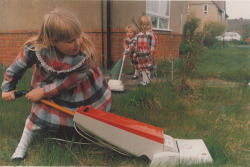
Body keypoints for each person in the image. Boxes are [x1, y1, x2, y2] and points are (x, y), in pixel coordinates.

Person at [1, 8, 112, 160]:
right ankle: (22, 146)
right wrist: (7, 88)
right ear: (53, 41)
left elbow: (69, 83)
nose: (77, 42)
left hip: (76, 88)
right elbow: (16, 67)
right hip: (48, 83)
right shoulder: (36, 49)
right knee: (37, 115)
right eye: (70, 41)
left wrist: (41, 92)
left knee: (84, 116)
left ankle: (90, 133)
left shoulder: (83, 56)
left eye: (78, 36)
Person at [137, 15, 157, 85]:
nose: (145, 26)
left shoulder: (151, 34)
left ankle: (147, 82)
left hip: (148, 54)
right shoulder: (139, 34)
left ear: (150, 25)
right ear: (140, 25)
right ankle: (144, 81)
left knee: (147, 68)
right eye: (143, 25)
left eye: (147, 24)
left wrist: (151, 55)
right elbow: (137, 44)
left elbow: (153, 45)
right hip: (141, 54)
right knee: (142, 68)